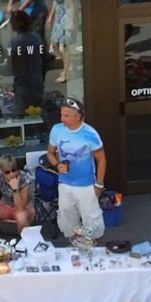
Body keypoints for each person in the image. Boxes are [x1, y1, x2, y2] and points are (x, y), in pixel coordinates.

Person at [46, 97, 107, 240]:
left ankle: (96, 254)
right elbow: (50, 153)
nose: (62, 119)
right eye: (61, 114)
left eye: (66, 115)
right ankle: (75, 250)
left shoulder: (90, 134)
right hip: (65, 185)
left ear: (78, 116)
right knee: (67, 221)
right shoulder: (56, 130)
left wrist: (99, 185)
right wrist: (56, 164)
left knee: (92, 225)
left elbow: (102, 160)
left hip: (86, 185)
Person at [0, 154, 35, 245]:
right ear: (1, 171)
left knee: (21, 216)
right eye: (7, 172)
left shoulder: (24, 177)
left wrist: (15, 189)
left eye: (13, 170)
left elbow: (21, 207)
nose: (11, 174)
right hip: (5, 205)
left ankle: (27, 246)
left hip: (25, 208)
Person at [8, 10, 45, 114]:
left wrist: (17, 85)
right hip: (37, 82)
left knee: (22, 116)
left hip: (24, 85)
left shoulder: (16, 42)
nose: (11, 23)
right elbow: (45, 58)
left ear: (20, 23)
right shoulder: (36, 38)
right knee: (38, 114)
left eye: (13, 20)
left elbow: (19, 67)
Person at [44, 0, 73, 83]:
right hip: (58, 18)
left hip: (65, 18)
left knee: (63, 46)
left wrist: (72, 22)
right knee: (53, 44)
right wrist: (50, 17)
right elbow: (55, 3)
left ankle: (66, 73)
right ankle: (67, 63)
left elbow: (72, 5)